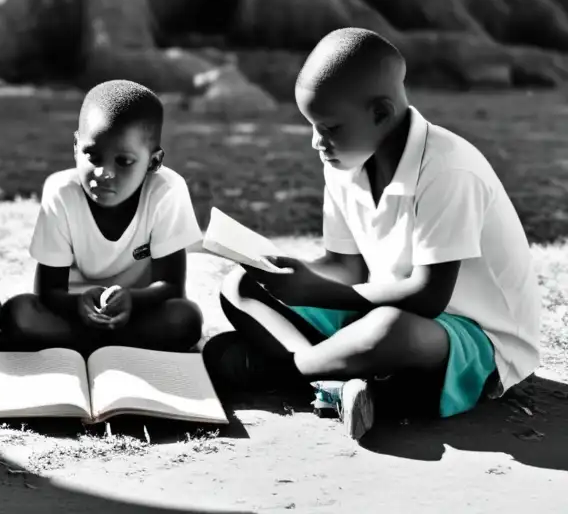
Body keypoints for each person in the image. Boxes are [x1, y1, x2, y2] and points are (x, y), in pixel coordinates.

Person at [202, 28, 541, 441]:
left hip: (467, 336)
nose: (316, 142)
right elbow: (344, 266)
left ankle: (294, 369)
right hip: (375, 308)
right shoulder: (346, 160)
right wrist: (285, 276)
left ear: (380, 113)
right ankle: (338, 379)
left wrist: (315, 294)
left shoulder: (448, 169)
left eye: (329, 128)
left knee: (386, 331)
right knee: (242, 287)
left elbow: (428, 297)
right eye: (311, 126)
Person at [0, 79, 205, 355]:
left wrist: (131, 300)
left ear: (153, 162)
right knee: (19, 313)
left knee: (185, 317)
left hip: (138, 310)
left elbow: (171, 287)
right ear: (76, 146)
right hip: (72, 309)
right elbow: (47, 290)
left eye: (123, 161)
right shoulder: (62, 194)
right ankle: (119, 345)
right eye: (93, 156)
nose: (103, 172)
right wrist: (79, 304)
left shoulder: (166, 192)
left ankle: (84, 345)